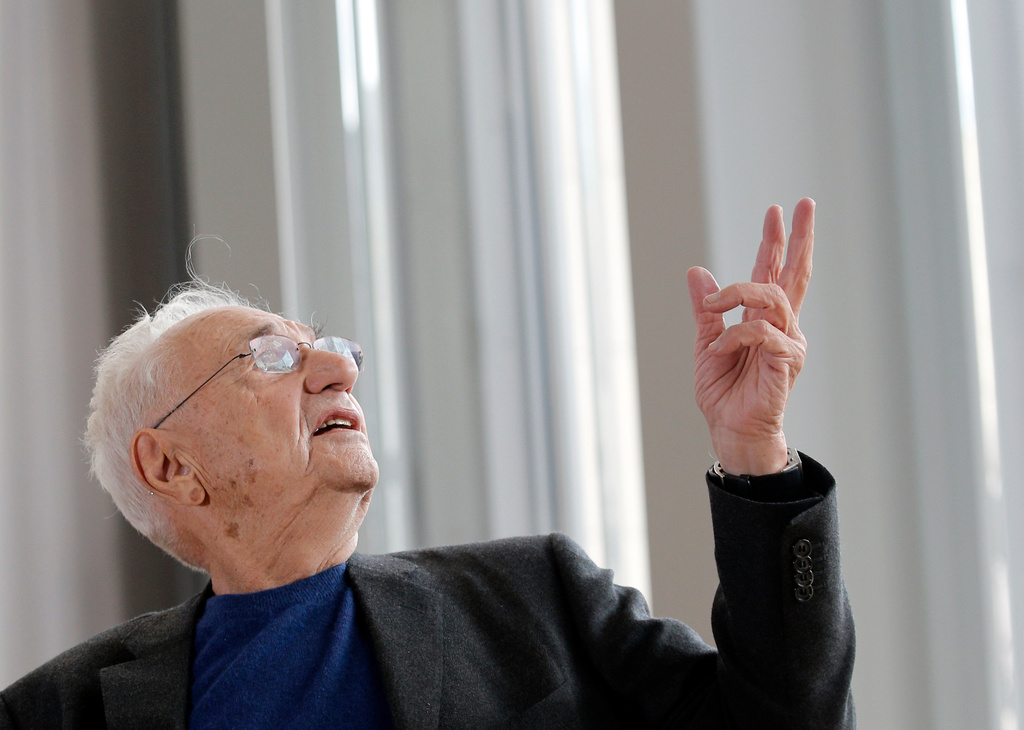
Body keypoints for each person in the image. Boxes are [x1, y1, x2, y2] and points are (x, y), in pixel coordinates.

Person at [0, 198, 854, 729]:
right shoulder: (58, 712)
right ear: (171, 467)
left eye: (331, 349)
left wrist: (754, 456)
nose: (338, 368)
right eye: (270, 358)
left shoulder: (539, 597)